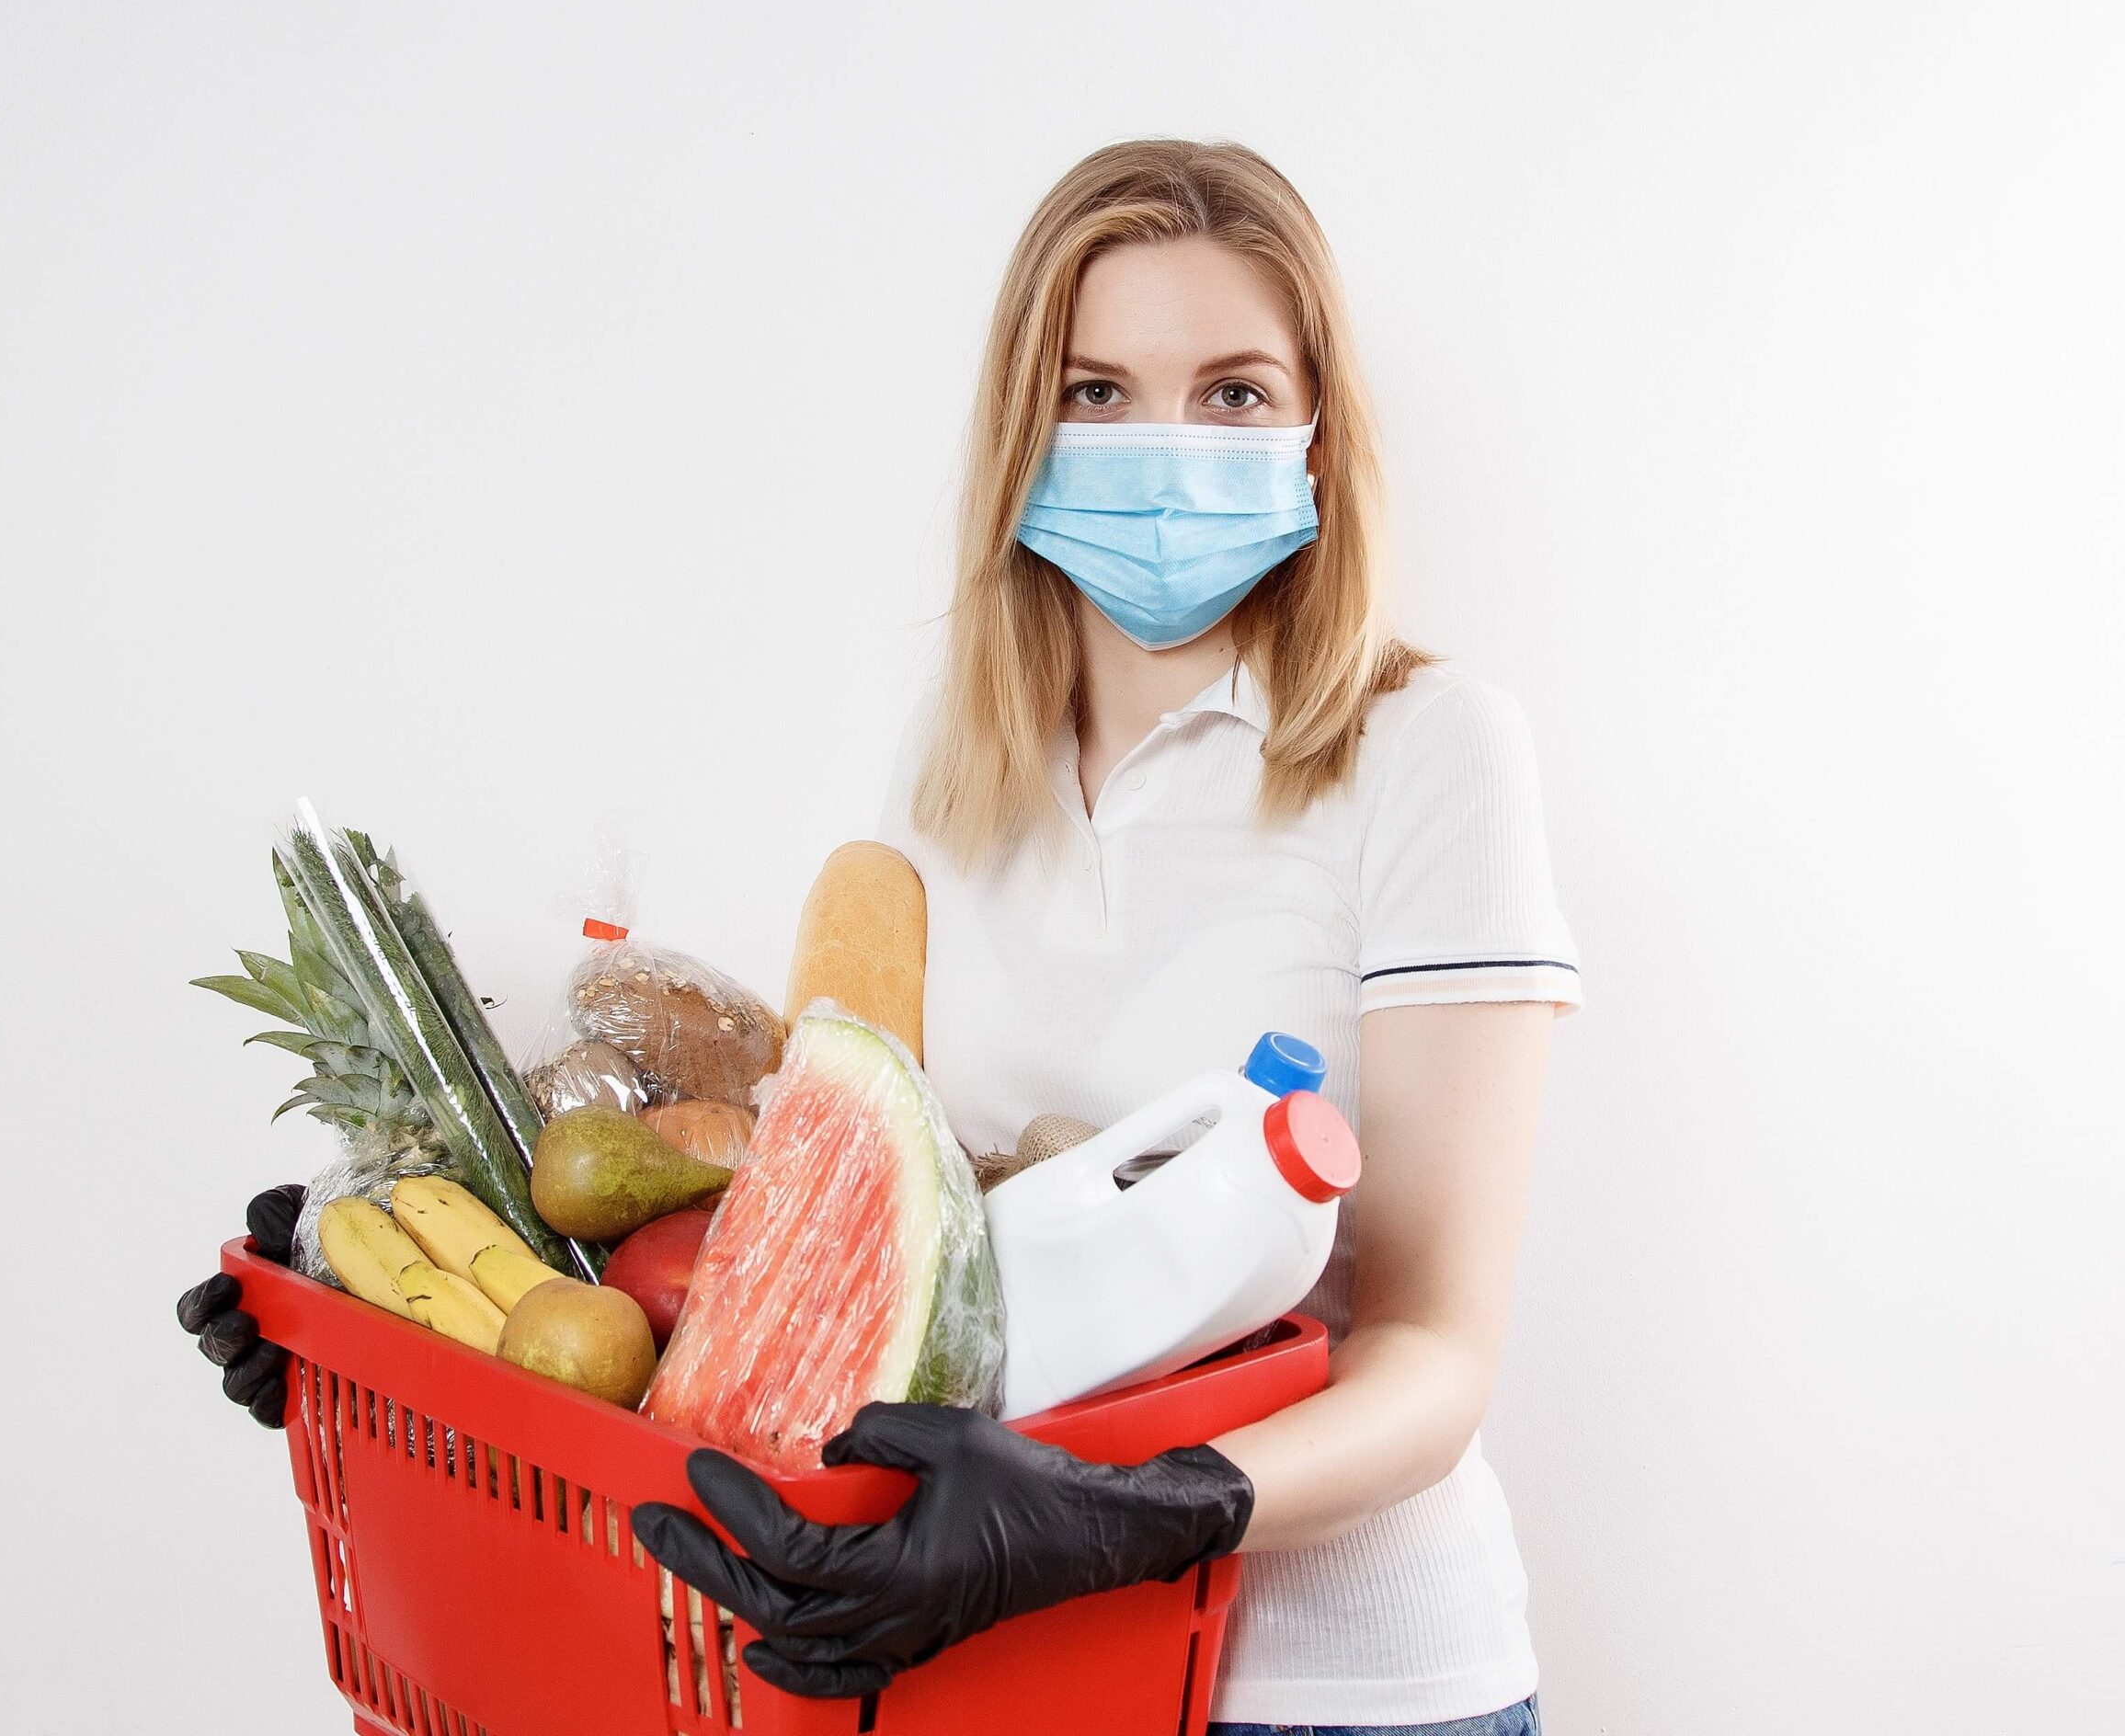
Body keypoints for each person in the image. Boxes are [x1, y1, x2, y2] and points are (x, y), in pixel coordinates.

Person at [182, 139, 1577, 1736]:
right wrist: (399, 1341)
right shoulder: (951, 769)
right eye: (1100, 391)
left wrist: (1129, 1514)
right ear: (1020, 435)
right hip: (996, 1676)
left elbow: (1432, 1355)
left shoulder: (1429, 749)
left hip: (1328, 1692)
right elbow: (866, 1238)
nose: (1167, 447)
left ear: (1322, 434)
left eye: (1238, 393)